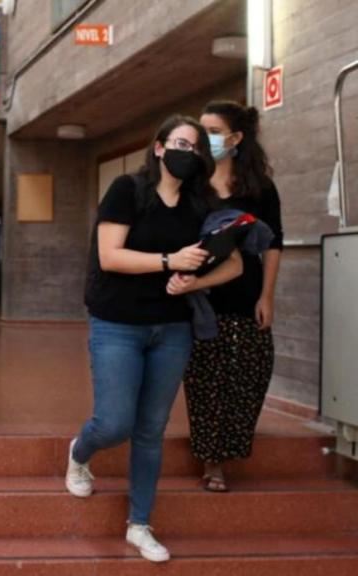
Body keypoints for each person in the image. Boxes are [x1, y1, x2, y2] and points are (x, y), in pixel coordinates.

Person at [67, 115, 243, 562]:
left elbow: (235, 264)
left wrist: (194, 283)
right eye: (180, 142)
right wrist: (170, 261)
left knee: (150, 431)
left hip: (172, 329)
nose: (188, 151)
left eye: (196, 146)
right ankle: (79, 452)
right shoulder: (128, 190)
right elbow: (110, 256)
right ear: (160, 148)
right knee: (113, 423)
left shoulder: (200, 205)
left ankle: (139, 524)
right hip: (117, 323)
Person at [182, 101, 283, 492]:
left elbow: (274, 243)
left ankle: (231, 444)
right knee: (205, 379)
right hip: (199, 295)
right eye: (201, 129)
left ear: (235, 138)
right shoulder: (193, 182)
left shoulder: (259, 187)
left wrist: (267, 296)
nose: (206, 138)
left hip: (245, 291)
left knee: (251, 371)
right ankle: (212, 461)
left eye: (212, 130)